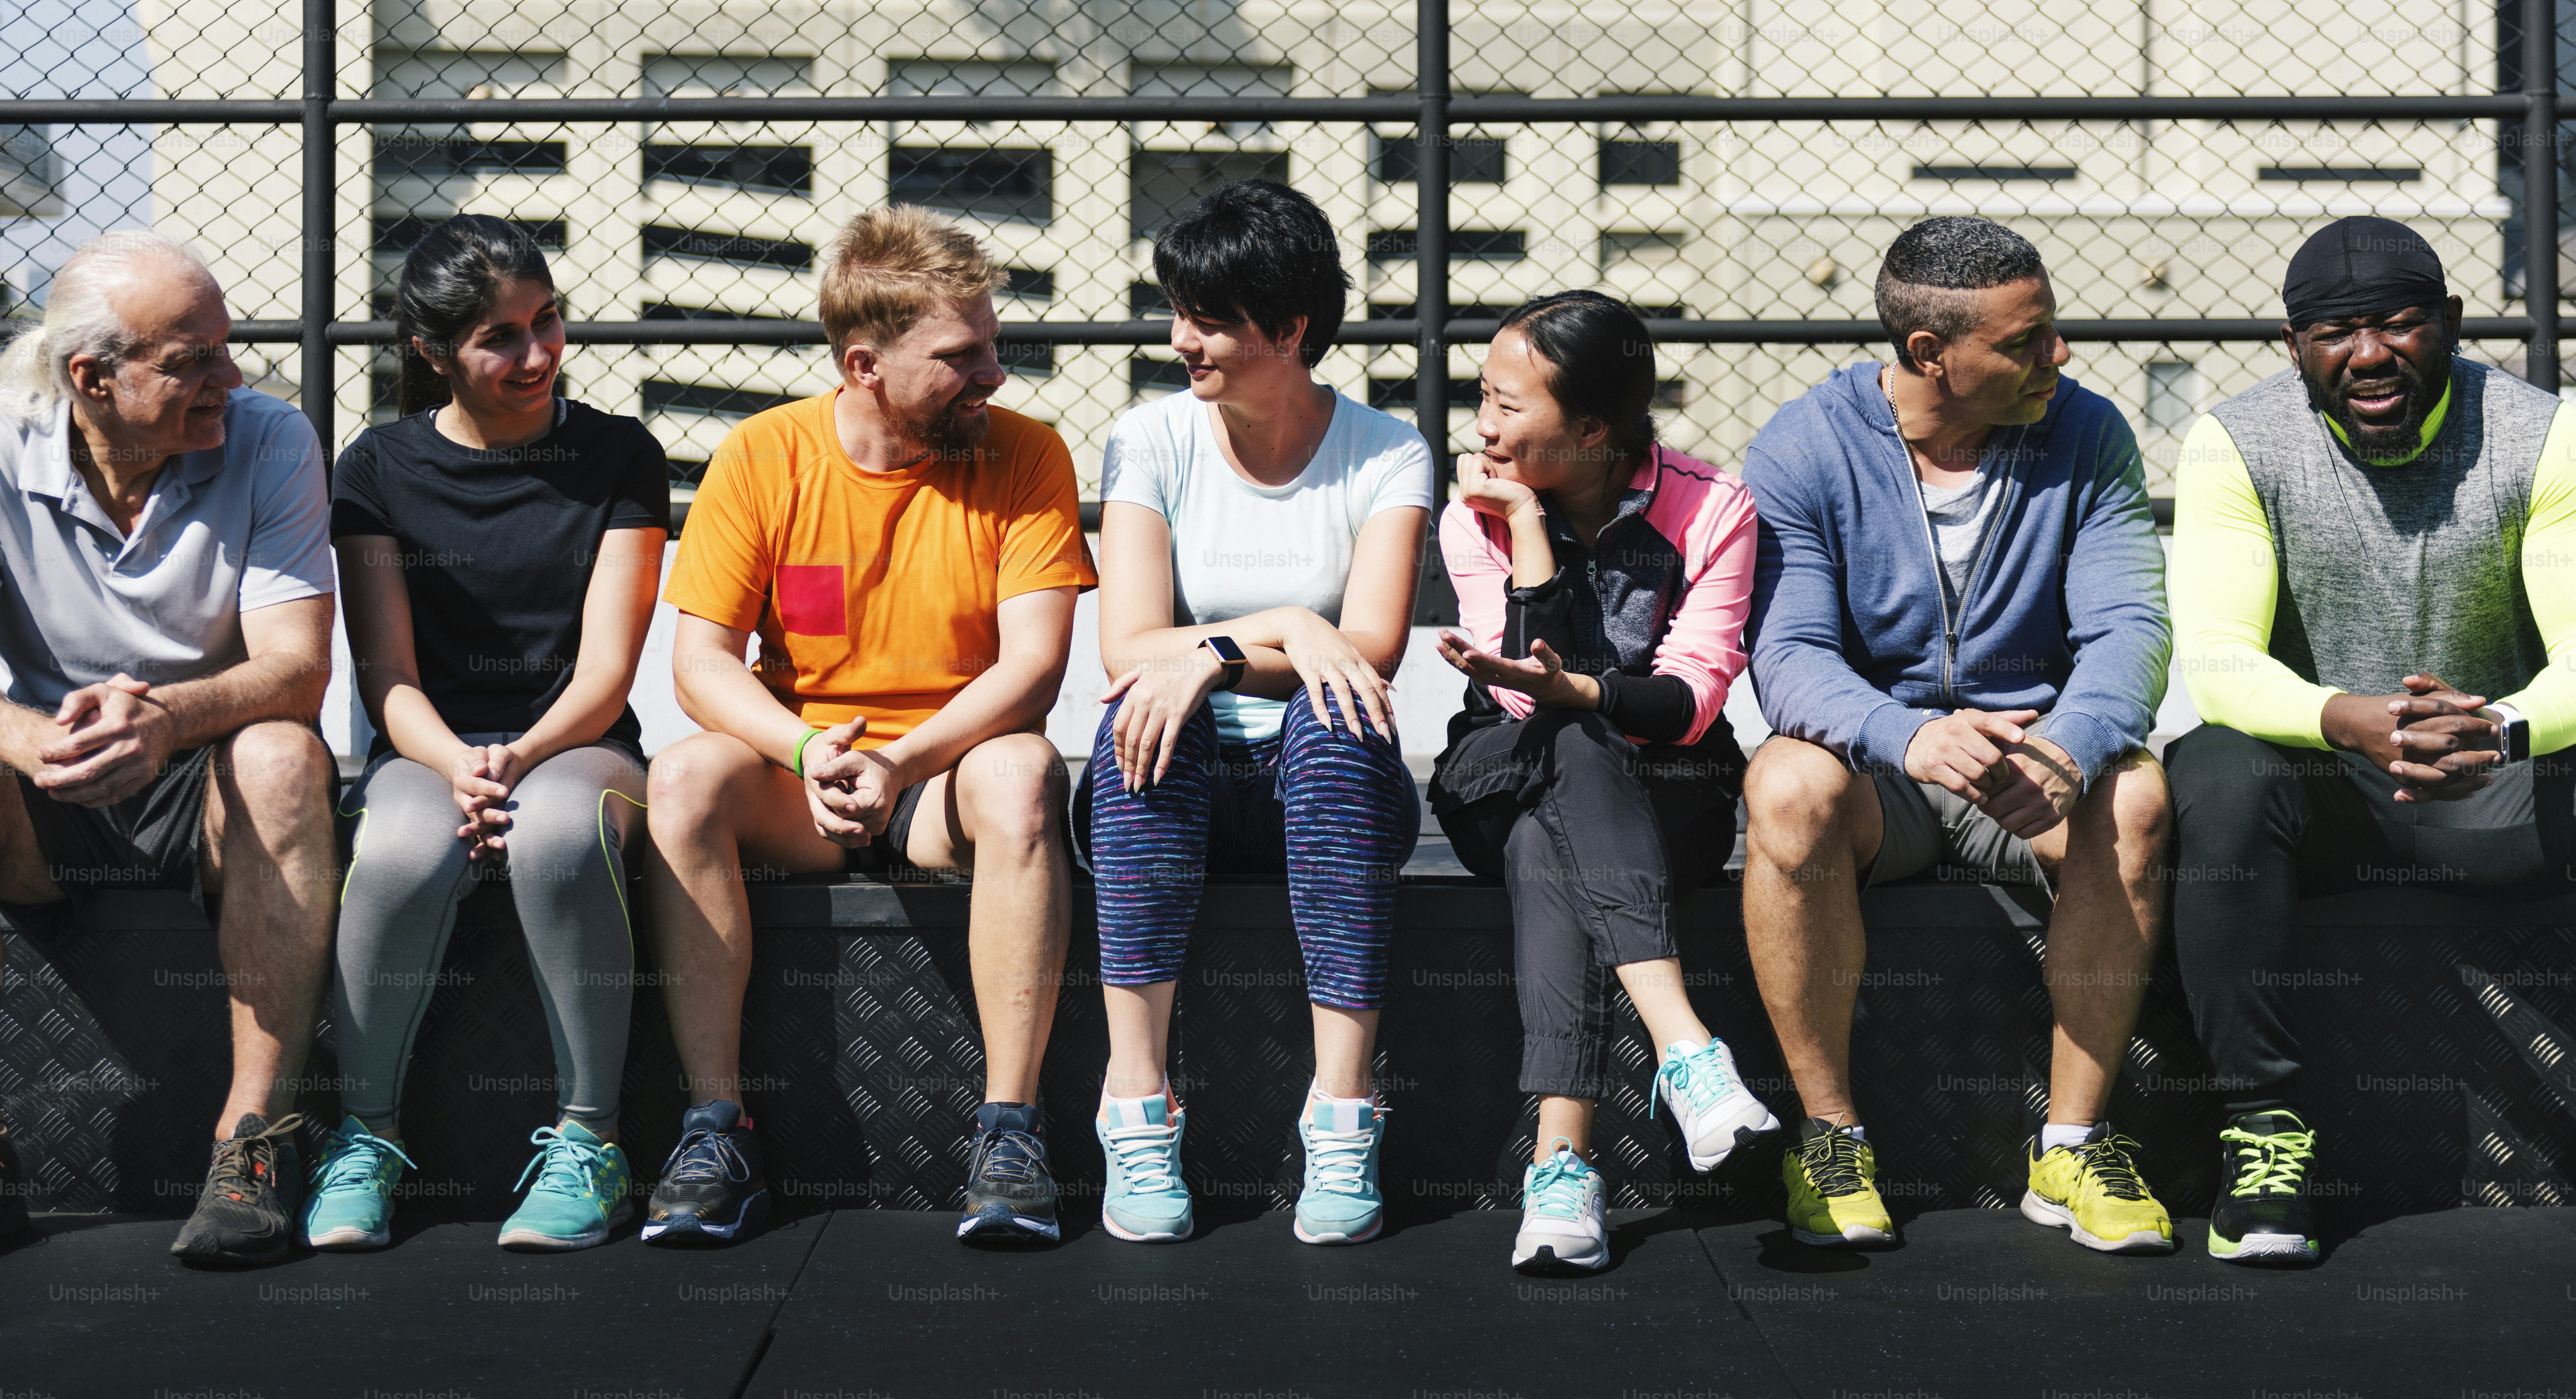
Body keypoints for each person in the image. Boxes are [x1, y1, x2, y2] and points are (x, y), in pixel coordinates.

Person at [644, 205, 1094, 1247]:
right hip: (809, 779)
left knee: (1027, 774)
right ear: (863, 365)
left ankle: (1011, 1134)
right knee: (680, 780)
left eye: (994, 343)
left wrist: (897, 761)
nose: (996, 373)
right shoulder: (761, 458)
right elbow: (700, 664)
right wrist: (808, 751)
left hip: (940, 778)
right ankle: (717, 1132)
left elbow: (1033, 669)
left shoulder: (1027, 456)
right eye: (961, 356)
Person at [1740, 216, 2176, 1254]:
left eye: (2052, 329)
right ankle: (1831, 1138)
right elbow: (1790, 655)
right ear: (1930, 354)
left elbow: (2130, 627)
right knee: (1785, 785)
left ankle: (2070, 1145)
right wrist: (1906, 736)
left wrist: (2070, 749)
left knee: (2144, 797)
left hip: (2031, 765)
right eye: (2025, 343)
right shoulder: (1806, 444)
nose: (2056, 357)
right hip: (1877, 774)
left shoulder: (2088, 430)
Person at [2166, 216, 2574, 1265]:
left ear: (2449, 324)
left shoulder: (2542, 433)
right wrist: (2353, 718)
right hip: (2326, 786)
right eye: (2337, 332)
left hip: (2491, 779)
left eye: (2398, 325)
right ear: (2294, 346)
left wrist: (2503, 725)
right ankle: (2263, 1136)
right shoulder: (2237, 440)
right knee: (2215, 767)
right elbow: (2212, 659)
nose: (2370, 354)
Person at [305, 215, 669, 1252]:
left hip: (578, 738)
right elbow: (387, 675)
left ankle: (592, 1143)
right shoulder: (377, 468)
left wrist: (517, 755)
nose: (538, 353)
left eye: (547, 321)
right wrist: (456, 761)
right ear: (431, 353)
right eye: (499, 338)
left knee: (558, 836)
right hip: (432, 746)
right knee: (402, 850)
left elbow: (606, 672)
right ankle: (364, 1137)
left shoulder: (619, 455)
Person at [1081, 180, 1428, 1247]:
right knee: (1150, 707)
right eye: (1176, 312)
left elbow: (1365, 653)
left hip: (1328, 783)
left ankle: (1341, 1113)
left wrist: (1219, 652)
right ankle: (1134, 1104)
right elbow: (1125, 647)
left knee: (1334, 720)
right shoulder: (1148, 441)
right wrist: (1271, 627)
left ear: (1287, 329)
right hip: (1180, 775)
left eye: (1210, 320)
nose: (1182, 340)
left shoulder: (1386, 453)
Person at [0, 232, 339, 1263]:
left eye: (227, 350)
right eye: (192, 362)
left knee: (286, 757)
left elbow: (298, 668)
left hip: (201, 769)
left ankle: (255, 1143)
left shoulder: (272, 437)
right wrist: (32, 739)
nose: (229, 381)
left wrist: (168, 719)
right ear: (91, 379)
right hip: (44, 777)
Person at [1429, 291, 1779, 1275]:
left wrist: (1578, 688)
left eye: (1506, 406)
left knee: (1563, 815)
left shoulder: (1715, 509)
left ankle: (1563, 1167)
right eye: (1482, 399)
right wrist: (1529, 537)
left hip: (1672, 788)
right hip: (1502, 775)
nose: (1482, 427)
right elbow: (1515, 705)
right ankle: (1690, 1055)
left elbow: (1691, 702)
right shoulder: (1481, 513)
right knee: (1565, 746)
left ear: (1591, 429)